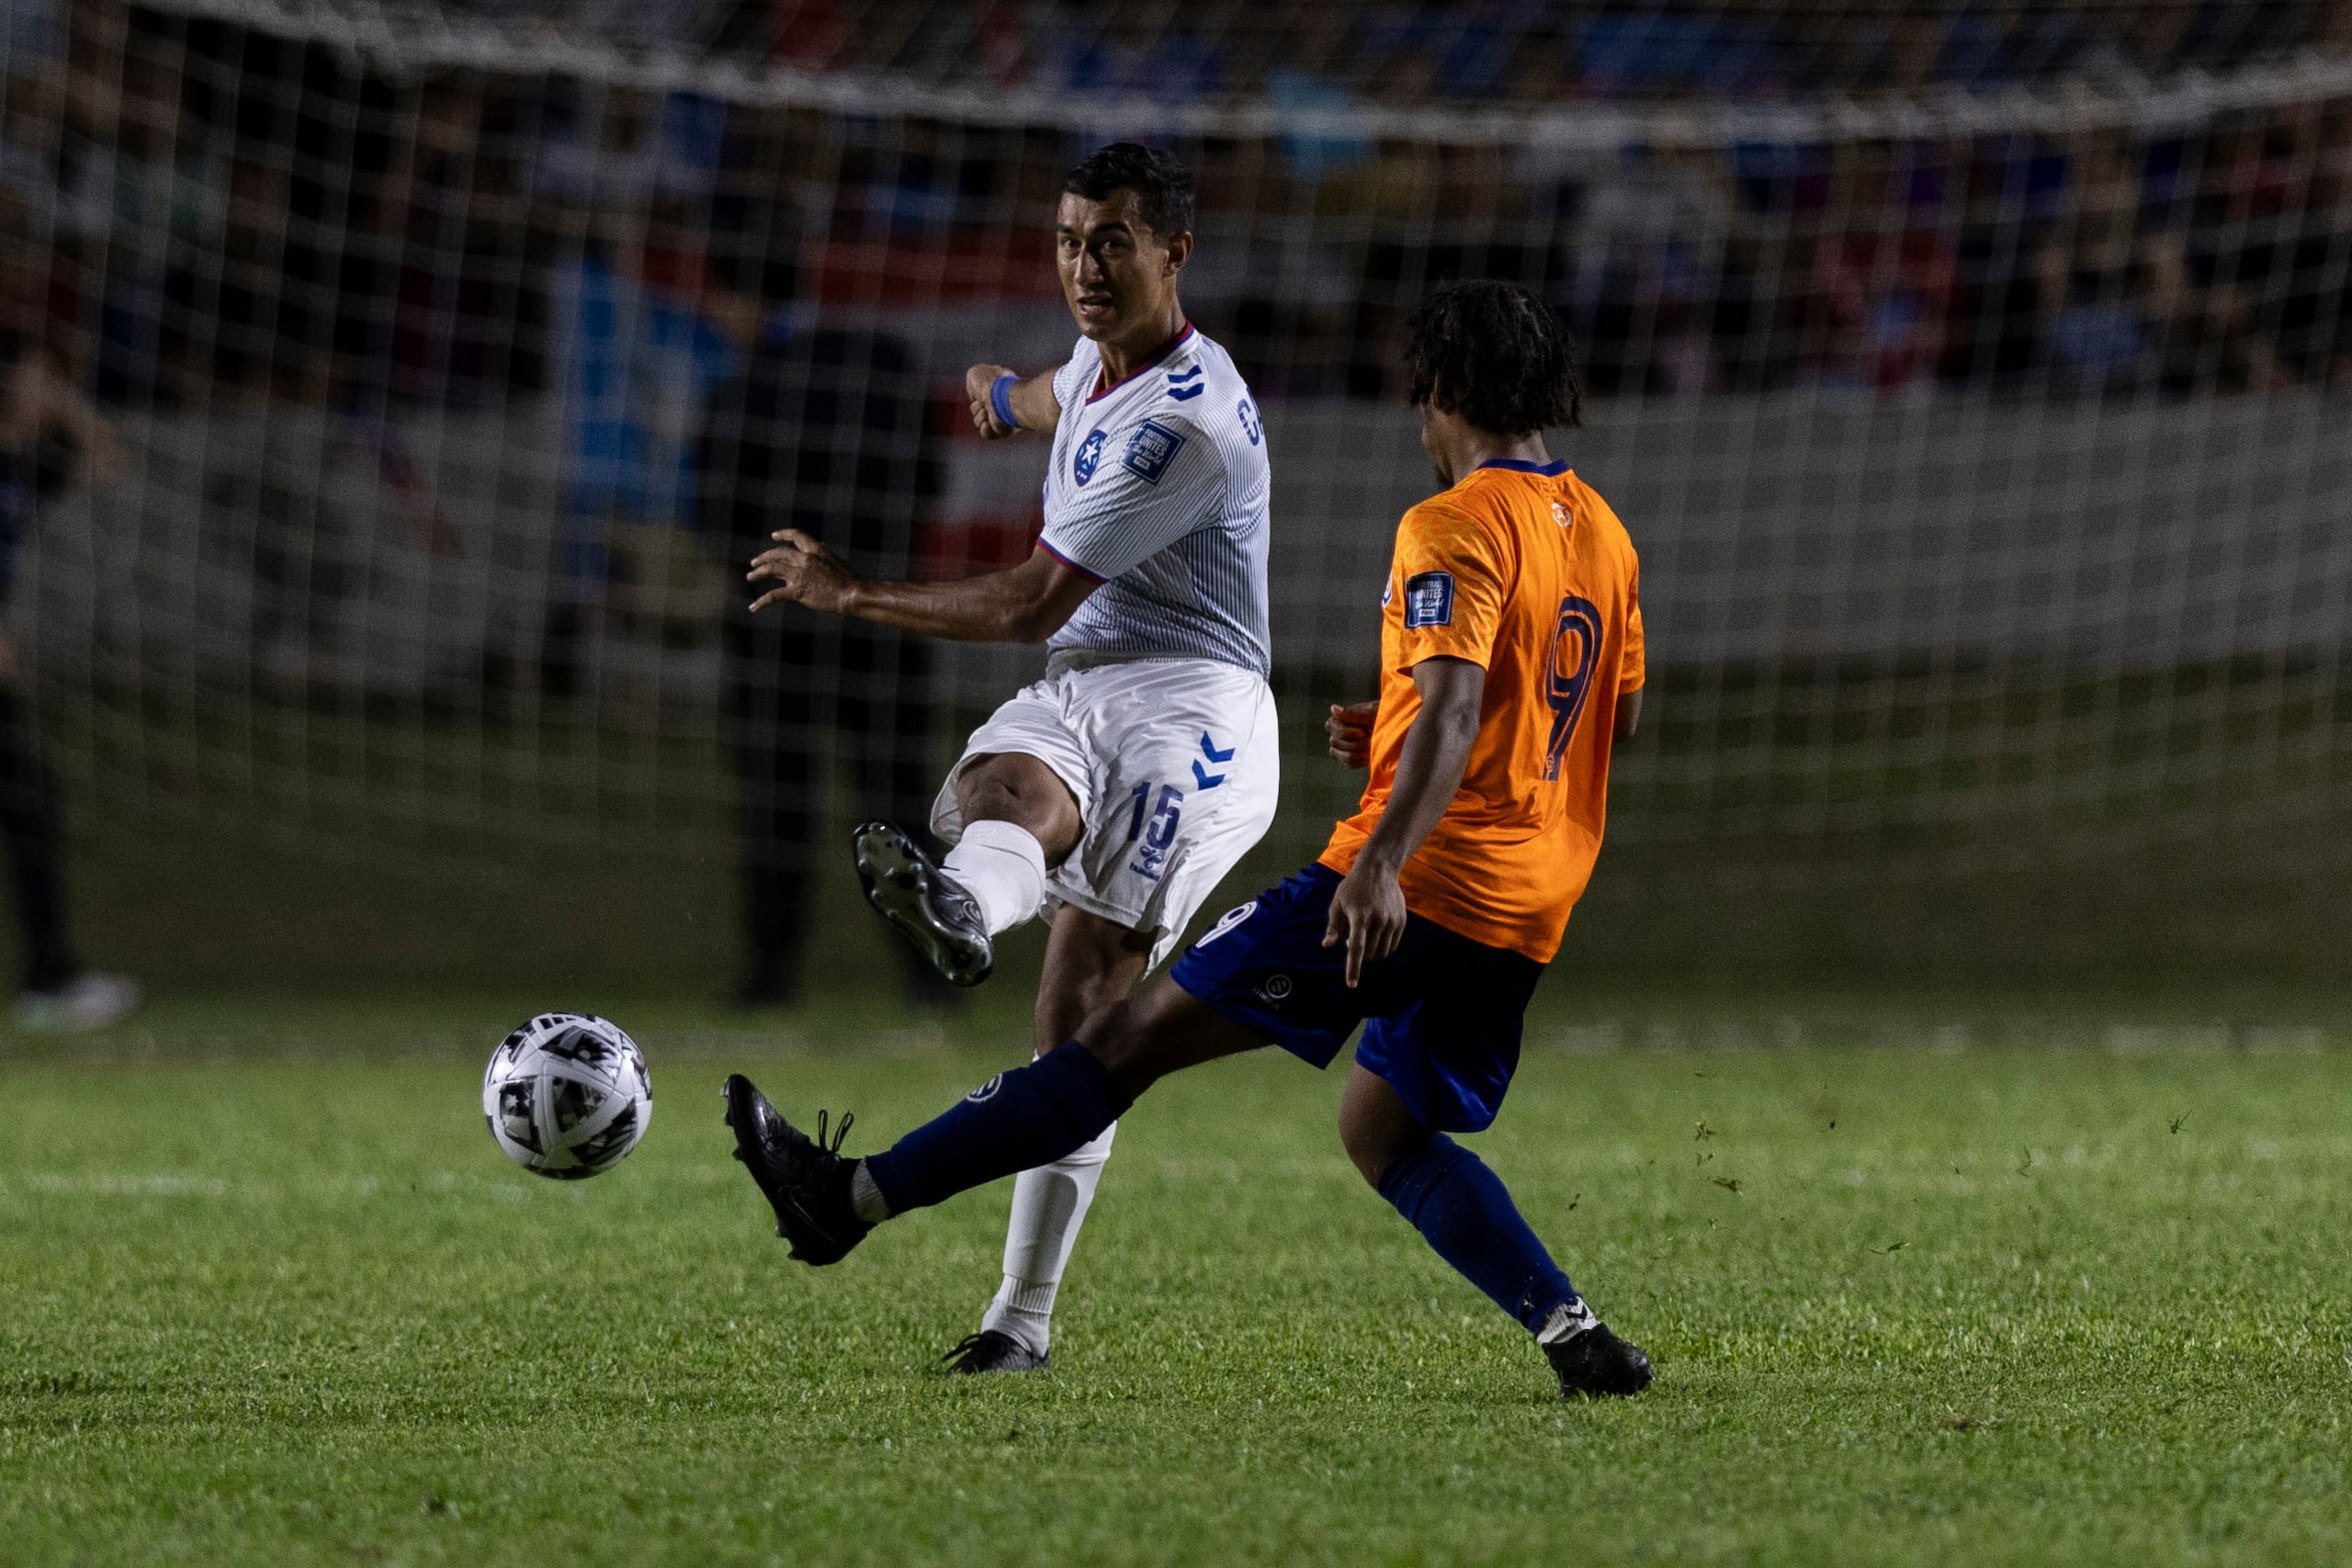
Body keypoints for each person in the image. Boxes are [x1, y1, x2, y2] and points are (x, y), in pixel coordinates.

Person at [723, 280, 1655, 1401]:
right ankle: (1571, 1332)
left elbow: (1456, 715)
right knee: (1383, 1132)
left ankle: (849, 1196)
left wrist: (1376, 862)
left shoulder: (1449, 524)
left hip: (1416, 885)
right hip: (1529, 908)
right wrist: (1397, 727)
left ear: (1443, 390)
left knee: (1112, 1048)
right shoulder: (1602, 531)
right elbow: (1606, 709)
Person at [741, 143, 1279, 1373]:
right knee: (996, 792)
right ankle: (964, 910)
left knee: (1080, 1024)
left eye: (1114, 242)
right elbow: (1056, 390)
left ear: (1175, 253)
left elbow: (1033, 599)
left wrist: (852, 591)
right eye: (1069, 239)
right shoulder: (1105, 358)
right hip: (1089, 684)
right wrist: (1000, 397)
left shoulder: (1182, 425)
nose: (1085, 266)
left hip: (1195, 713)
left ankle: (1019, 1322)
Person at [691, 247, 945, 1007]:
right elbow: (925, 479)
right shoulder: (883, 364)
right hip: (883, 614)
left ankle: (771, 978)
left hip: (780, 634)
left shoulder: (740, 393)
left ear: (737, 297)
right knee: (898, 802)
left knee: (778, 806)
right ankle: (930, 973)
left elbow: (714, 516)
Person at [0, 332, 140, 1032]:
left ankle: (49, 979)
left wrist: (69, 409)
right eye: (41, 373)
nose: (52, 386)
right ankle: (48, 978)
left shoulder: (25, 465)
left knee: (31, 810)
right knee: (29, 809)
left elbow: (109, 460)